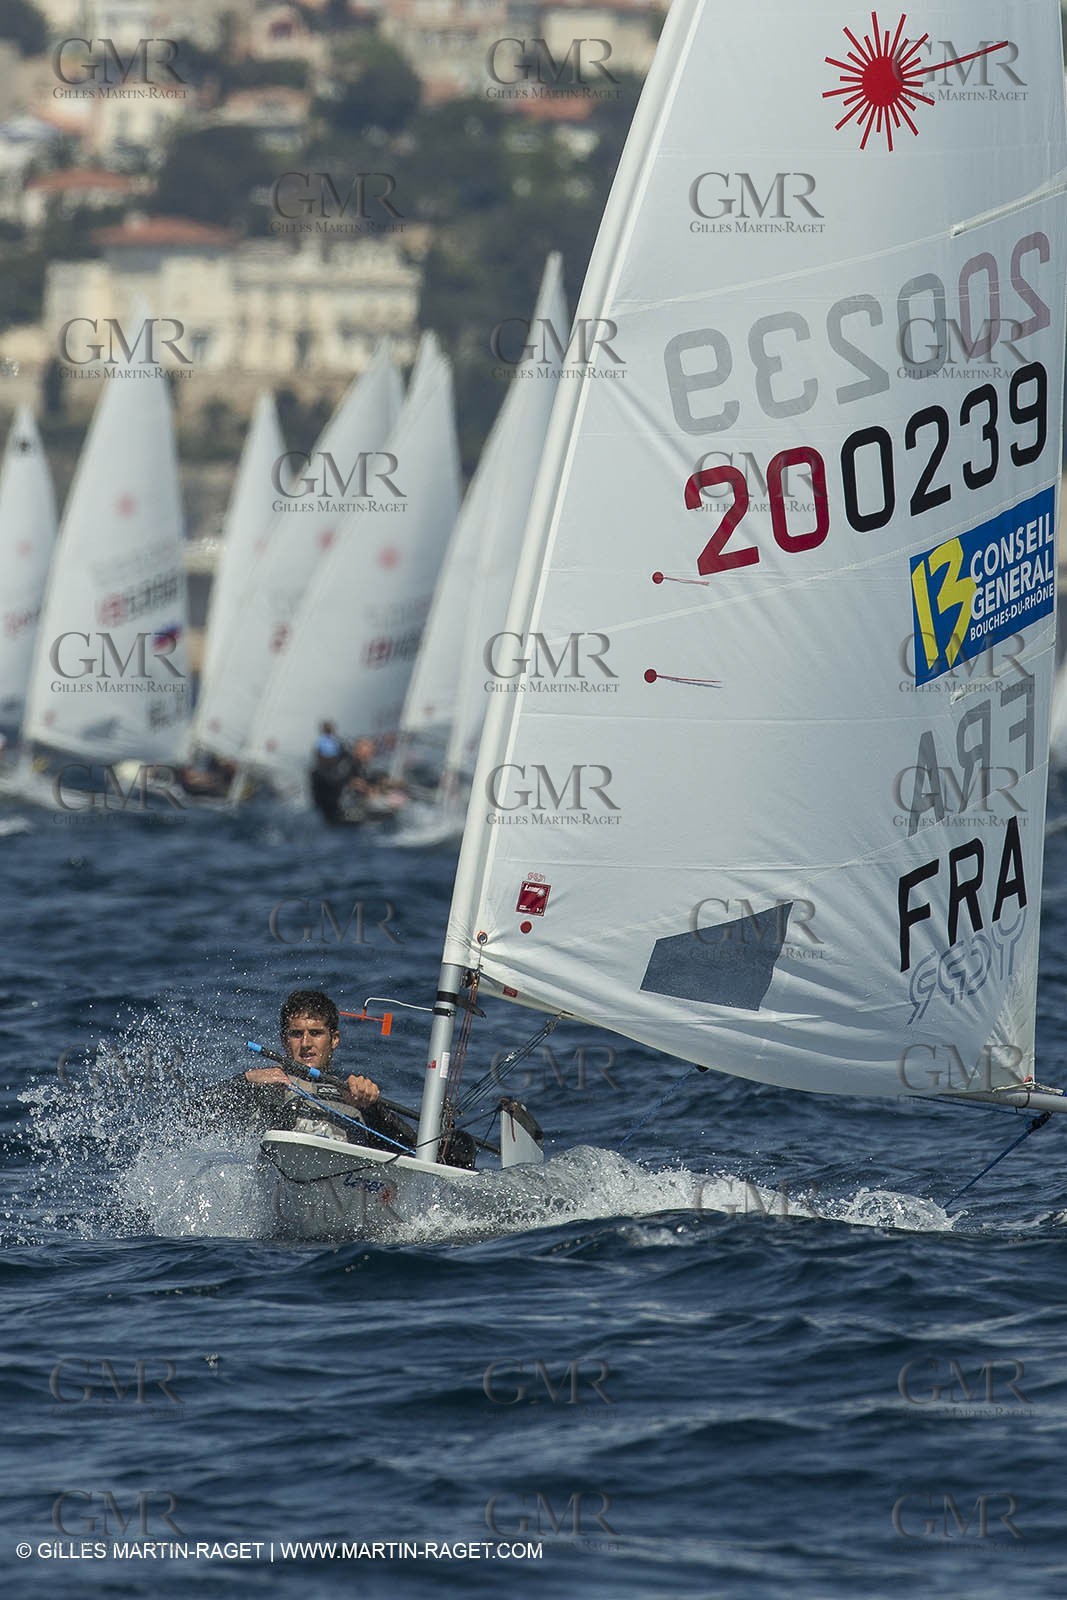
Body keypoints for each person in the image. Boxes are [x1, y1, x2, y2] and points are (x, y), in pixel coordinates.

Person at [245, 989, 415, 1152]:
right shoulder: (265, 1085)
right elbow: (218, 1115)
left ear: (334, 1040)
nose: (305, 1043)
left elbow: (410, 1149)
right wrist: (245, 1080)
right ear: (284, 1040)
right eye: (296, 1034)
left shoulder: (351, 1092)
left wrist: (371, 1108)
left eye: (315, 1033)